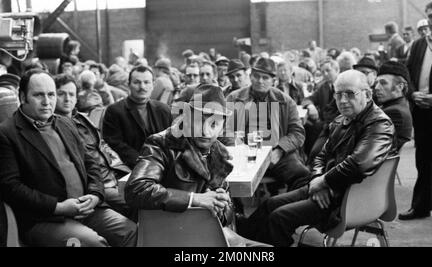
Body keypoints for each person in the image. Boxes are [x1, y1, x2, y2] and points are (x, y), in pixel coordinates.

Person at [236, 70, 395, 247]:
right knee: (270, 204)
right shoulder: (341, 121)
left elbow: (359, 164)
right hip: (332, 188)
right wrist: (317, 181)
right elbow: (320, 156)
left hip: (349, 199)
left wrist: (324, 181)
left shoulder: (379, 124)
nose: (342, 100)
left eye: (350, 94)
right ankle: (244, 242)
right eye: (338, 94)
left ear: (367, 94)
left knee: (278, 217)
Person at [0, 69, 137, 246]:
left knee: (132, 232)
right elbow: (11, 188)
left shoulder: (66, 123)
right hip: (46, 218)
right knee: (91, 243)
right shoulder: (7, 134)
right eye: (38, 95)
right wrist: (59, 207)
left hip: (88, 208)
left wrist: (95, 194)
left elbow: (91, 164)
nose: (47, 102)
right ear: (22, 96)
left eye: (51, 94)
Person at [125, 84, 269, 247]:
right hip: (168, 233)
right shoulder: (163, 143)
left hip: (207, 230)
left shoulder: (219, 152)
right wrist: (195, 200)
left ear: (223, 127)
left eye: (214, 124)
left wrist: (221, 204)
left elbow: (226, 216)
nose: (206, 132)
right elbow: (136, 189)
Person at [225, 57, 310, 192]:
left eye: (265, 78)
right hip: (243, 153)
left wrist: (280, 150)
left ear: (273, 81)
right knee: (219, 176)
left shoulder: (285, 101)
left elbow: (297, 133)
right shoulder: (234, 98)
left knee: (302, 176)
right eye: (256, 76)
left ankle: (284, 207)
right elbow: (224, 128)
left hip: (275, 153)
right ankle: (236, 211)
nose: (260, 81)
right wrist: (236, 144)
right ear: (250, 76)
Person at [399, 0, 432, 221]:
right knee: (423, 161)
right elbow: (407, 74)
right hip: (421, 112)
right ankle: (420, 207)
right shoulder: (419, 44)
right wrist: (412, 93)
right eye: (430, 16)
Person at [54, 74, 132, 217]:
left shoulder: (83, 118)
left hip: (115, 173)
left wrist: (124, 170)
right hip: (99, 184)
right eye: (61, 94)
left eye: (71, 94)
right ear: (53, 96)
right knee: (138, 201)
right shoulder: (54, 126)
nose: (67, 99)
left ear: (77, 98)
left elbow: (102, 145)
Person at [103, 65, 173, 169]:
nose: (142, 87)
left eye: (146, 82)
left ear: (153, 85)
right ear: (128, 85)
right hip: (130, 168)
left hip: (163, 166)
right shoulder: (114, 111)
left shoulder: (163, 110)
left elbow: (171, 141)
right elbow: (115, 144)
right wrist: (143, 162)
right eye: (137, 82)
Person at [374, 61, 413, 152]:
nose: (376, 87)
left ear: (400, 87)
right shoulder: (399, 105)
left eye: (383, 83)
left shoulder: (394, 112)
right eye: (376, 83)